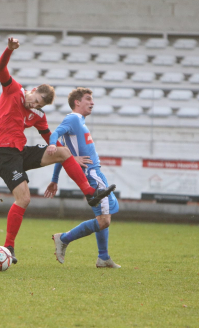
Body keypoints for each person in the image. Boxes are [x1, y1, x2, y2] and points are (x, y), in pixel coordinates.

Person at [0, 38, 115, 264]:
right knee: (24, 199)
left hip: (19, 151)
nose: (34, 106)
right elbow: (1, 68)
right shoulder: (13, 90)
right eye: (35, 100)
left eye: (39, 105)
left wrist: (70, 155)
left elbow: (49, 138)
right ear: (33, 90)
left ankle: (89, 193)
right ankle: (9, 247)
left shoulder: (38, 115)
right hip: (3, 153)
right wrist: (9, 50)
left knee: (63, 152)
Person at [44, 87, 120, 268]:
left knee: (104, 216)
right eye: (88, 99)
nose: (92, 102)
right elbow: (55, 134)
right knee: (104, 220)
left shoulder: (80, 122)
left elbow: (64, 155)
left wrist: (55, 179)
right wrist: (53, 146)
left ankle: (103, 257)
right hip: (92, 174)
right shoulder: (73, 119)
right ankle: (63, 238)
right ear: (77, 102)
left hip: (93, 173)